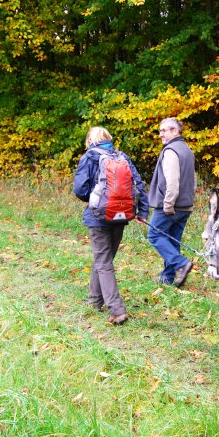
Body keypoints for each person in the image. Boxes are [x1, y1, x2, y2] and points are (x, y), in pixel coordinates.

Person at [73, 126, 149, 325]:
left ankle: (117, 310)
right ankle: (94, 300)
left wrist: (95, 199)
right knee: (104, 259)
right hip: (121, 215)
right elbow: (138, 184)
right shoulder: (122, 156)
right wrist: (142, 211)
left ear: (90, 140)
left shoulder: (90, 157)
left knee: (103, 261)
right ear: (108, 139)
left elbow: (79, 189)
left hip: (98, 217)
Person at [147, 117, 196, 287]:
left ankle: (182, 264)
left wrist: (168, 204)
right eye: (160, 131)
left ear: (175, 131)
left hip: (170, 205)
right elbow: (193, 181)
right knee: (172, 240)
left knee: (154, 235)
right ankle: (168, 277)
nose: (160, 134)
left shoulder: (171, 151)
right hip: (185, 205)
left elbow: (172, 181)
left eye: (164, 130)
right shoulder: (187, 150)